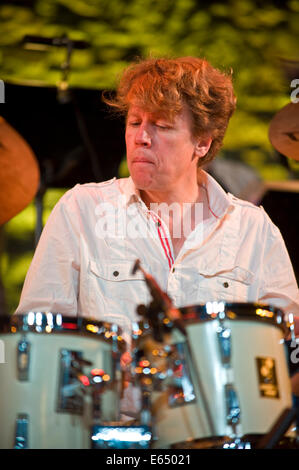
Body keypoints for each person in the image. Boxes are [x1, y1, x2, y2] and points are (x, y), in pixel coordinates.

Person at [16, 56, 299, 401]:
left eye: (161, 126)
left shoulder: (255, 230)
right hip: (110, 431)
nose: (141, 138)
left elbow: (285, 348)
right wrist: (95, 365)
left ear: (203, 142)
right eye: (135, 122)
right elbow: (38, 336)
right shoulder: (81, 209)